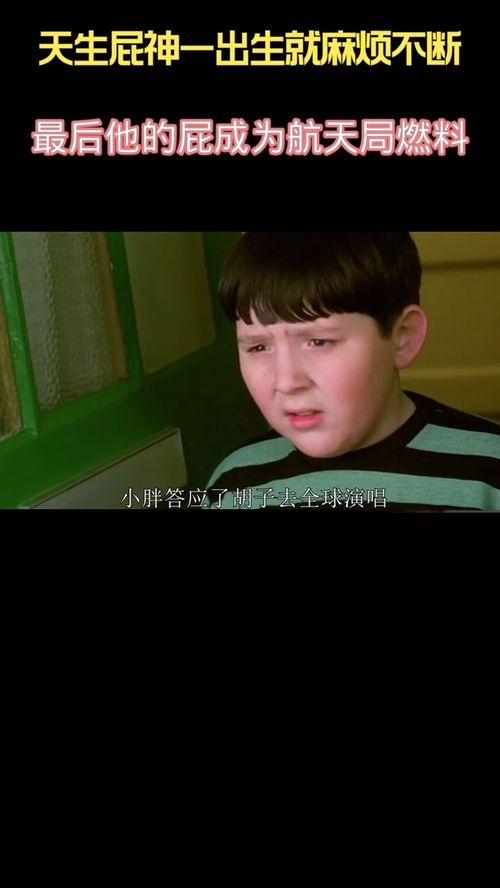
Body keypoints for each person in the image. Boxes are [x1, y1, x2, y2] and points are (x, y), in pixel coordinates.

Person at [207, 232, 500, 511]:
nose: (287, 381)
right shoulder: (233, 484)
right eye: (259, 347)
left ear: (403, 337)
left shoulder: (488, 474)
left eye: (319, 342)